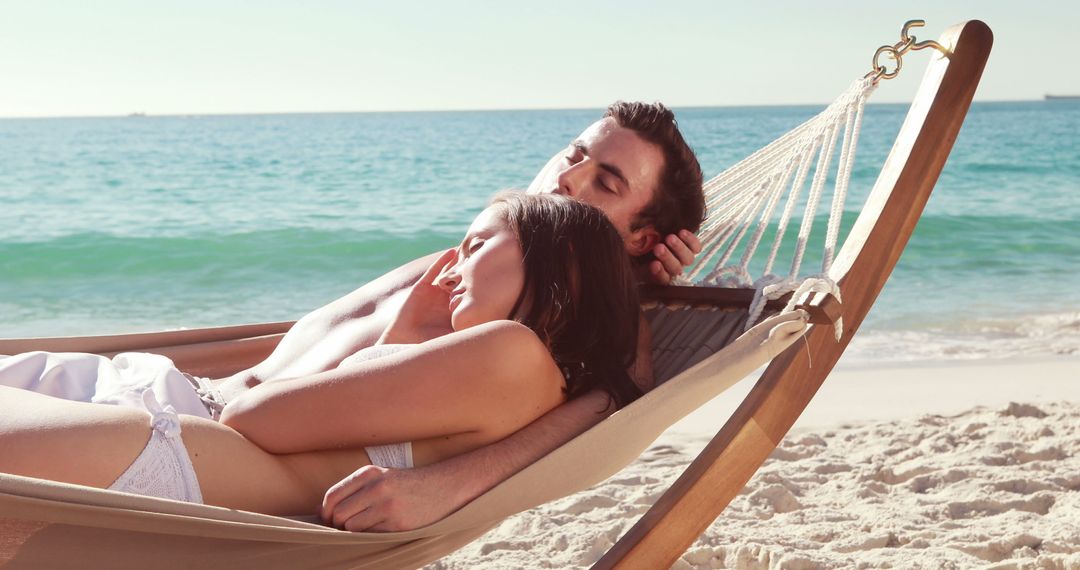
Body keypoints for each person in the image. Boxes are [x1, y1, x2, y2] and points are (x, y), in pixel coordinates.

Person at [0, 193, 644, 516]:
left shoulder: (513, 353)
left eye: (477, 245)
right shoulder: (525, 382)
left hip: (160, 449)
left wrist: (405, 336)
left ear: (559, 265)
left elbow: (252, 417)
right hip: (150, 418)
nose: (450, 265)